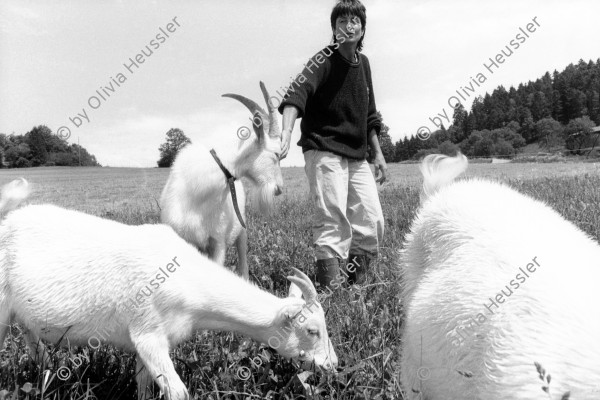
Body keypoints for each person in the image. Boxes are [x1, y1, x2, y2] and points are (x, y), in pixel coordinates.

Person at [278, 0, 386, 290]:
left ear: (363, 28)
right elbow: (296, 93)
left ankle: (358, 287)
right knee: (333, 220)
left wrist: (378, 154)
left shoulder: (363, 65)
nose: (348, 26)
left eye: (354, 21)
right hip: (324, 148)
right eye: (341, 22)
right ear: (333, 28)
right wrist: (286, 132)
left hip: (357, 154)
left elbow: (370, 115)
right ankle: (332, 294)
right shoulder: (323, 59)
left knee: (371, 220)